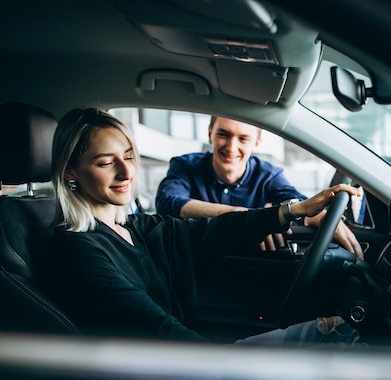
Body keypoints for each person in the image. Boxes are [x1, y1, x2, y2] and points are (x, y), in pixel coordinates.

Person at [44, 107, 362, 346]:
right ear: (70, 170)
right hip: (170, 370)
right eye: (105, 162)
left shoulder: (135, 227)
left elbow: (212, 232)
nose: (126, 173)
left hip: (187, 356)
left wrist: (297, 209)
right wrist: (216, 362)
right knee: (335, 338)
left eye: (128, 156)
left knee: (338, 329)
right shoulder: (81, 249)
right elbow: (150, 324)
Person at [155, 116, 363, 258]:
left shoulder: (268, 174)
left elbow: (296, 202)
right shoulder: (185, 165)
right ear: (210, 133)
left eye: (243, 138)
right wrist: (246, 216)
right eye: (223, 134)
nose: (231, 146)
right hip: (193, 260)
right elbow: (168, 203)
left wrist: (321, 216)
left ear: (256, 143)